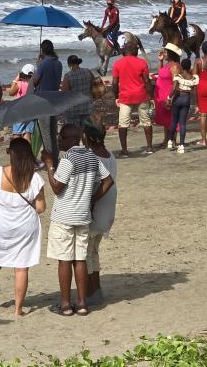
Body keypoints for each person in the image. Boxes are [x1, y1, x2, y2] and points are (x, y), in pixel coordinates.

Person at [40, 123, 114, 316]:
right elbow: (108, 181)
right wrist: (91, 197)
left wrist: (49, 165)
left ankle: (65, 305)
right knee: (80, 258)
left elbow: (57, 187)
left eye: (61, 137)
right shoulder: (91, 156)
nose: (59, 140)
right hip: (82, 215)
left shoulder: (68, 158)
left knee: (64, 260)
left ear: (70, 139)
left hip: (64, 216)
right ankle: (82, 304)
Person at [0, 137, 46, 316]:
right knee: (21, 267)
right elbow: (40, 207)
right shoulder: (34, 178)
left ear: (10, 154)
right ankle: (18, 309)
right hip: (25, 225)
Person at [84, 123, 118, 306]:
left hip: (97, 209)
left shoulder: (92, 156)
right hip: (108, 210)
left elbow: (107, 182)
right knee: (94, 251)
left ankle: (90, 291)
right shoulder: (110, 155)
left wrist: (91, 200)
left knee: (87, 253)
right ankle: (96, 290)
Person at [111, 42, 154, 155]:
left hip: (125, 97)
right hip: (141, 95)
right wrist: (151, 96)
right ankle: (149, 147)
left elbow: (114, 84)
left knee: (123, 123)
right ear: (135, 51)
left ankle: (124, 150)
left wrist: (116, 97)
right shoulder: (142, 63)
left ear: (124, 51)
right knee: (146, 121)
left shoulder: (117, 64)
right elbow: (147, 81)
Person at [33, 40, 63, 159]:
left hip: (43, 101)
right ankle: (54, 157)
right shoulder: (58, 63)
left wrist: (38, 64)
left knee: (45, 133)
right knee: (53, 132)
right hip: (54, 100)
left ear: (43, 50)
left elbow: (35, 81)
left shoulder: (43, 64)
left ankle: (50, 159)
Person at [168, 58, 198, 153]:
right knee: (182, 123)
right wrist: (196, 104)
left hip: (177, 98)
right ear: (190, 67)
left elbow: (174, 88)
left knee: (174, 121)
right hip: (186, 99)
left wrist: (169, 97)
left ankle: (170, 141)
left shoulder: (178, 76)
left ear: (181, 66)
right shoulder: (193, 78)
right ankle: (181, 146)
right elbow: (194, 92)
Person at [155, 44, 180, 149]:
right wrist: (160, 61)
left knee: (172, 119)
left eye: (166, 52)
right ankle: (166, 140)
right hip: (162, 95)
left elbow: (176, 83)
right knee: (166, 120)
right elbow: (160, 73)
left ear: (171, 53)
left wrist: (170, 97)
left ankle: (172, 140)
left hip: (169, 95)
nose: (164, 53)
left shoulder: (174, 66)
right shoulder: (167, 64)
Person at [60, 55, 95, 129]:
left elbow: (64, 93)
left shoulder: (68, 76)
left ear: (69, 65)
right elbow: (93, 84)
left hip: (74, 108)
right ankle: (86, 140)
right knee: (88, 129)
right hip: (87, 105)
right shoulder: (88, 71)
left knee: (75, 130)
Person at [8, 65, 36, 143]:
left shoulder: (20, 84)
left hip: (19, 112)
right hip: (31, 112)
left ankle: (17, 153)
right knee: (27, 135)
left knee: (17, 134)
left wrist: (15, 80)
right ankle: (27, 154)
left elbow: (10, 92)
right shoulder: (34, 85)